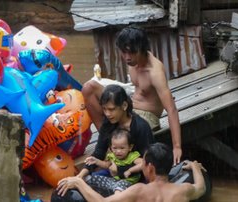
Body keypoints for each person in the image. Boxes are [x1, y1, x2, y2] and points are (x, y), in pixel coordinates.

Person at [82, 26, 182, 164]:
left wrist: (177, 146)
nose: (127, 57)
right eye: (124, 52)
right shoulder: (132, 62)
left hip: (147, 116)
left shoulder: (154, 71)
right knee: (88, 88)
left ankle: (112, 144)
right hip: (130, 105)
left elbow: (171, 109)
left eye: (132, 53)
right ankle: (109, 141)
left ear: (142, 48)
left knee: (116, 113)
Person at [56, 143, 206, 202]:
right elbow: (201, 187)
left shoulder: (139, 191)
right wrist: (194, 166)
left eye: (143, 163)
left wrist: (78, 182)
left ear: (150, 167)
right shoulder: (183, 190)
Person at [77, 84, 154, 180]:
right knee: (90, 179)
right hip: (114, 171)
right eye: (104, 109)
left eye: (111, 109)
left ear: (124, 106)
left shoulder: (141, 127)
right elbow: (99, 153)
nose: (107, 114)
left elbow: (148, 162)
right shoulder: (108, 124)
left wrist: (120, 170)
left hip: (135, 176)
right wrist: (80, 176)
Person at [84, 127, 143, 193]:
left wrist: (130, 170)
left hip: (128, 183)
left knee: (118, 187)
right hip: (114, 181)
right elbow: (106, 165)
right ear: (111, 147)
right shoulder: (112, 156)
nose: (118, 151)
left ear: (130, 147)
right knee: (90, 178)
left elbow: (143, 163)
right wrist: (96, 161)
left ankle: (116, 197)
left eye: (122, 148)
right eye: (115, 148)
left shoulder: (131, 156)